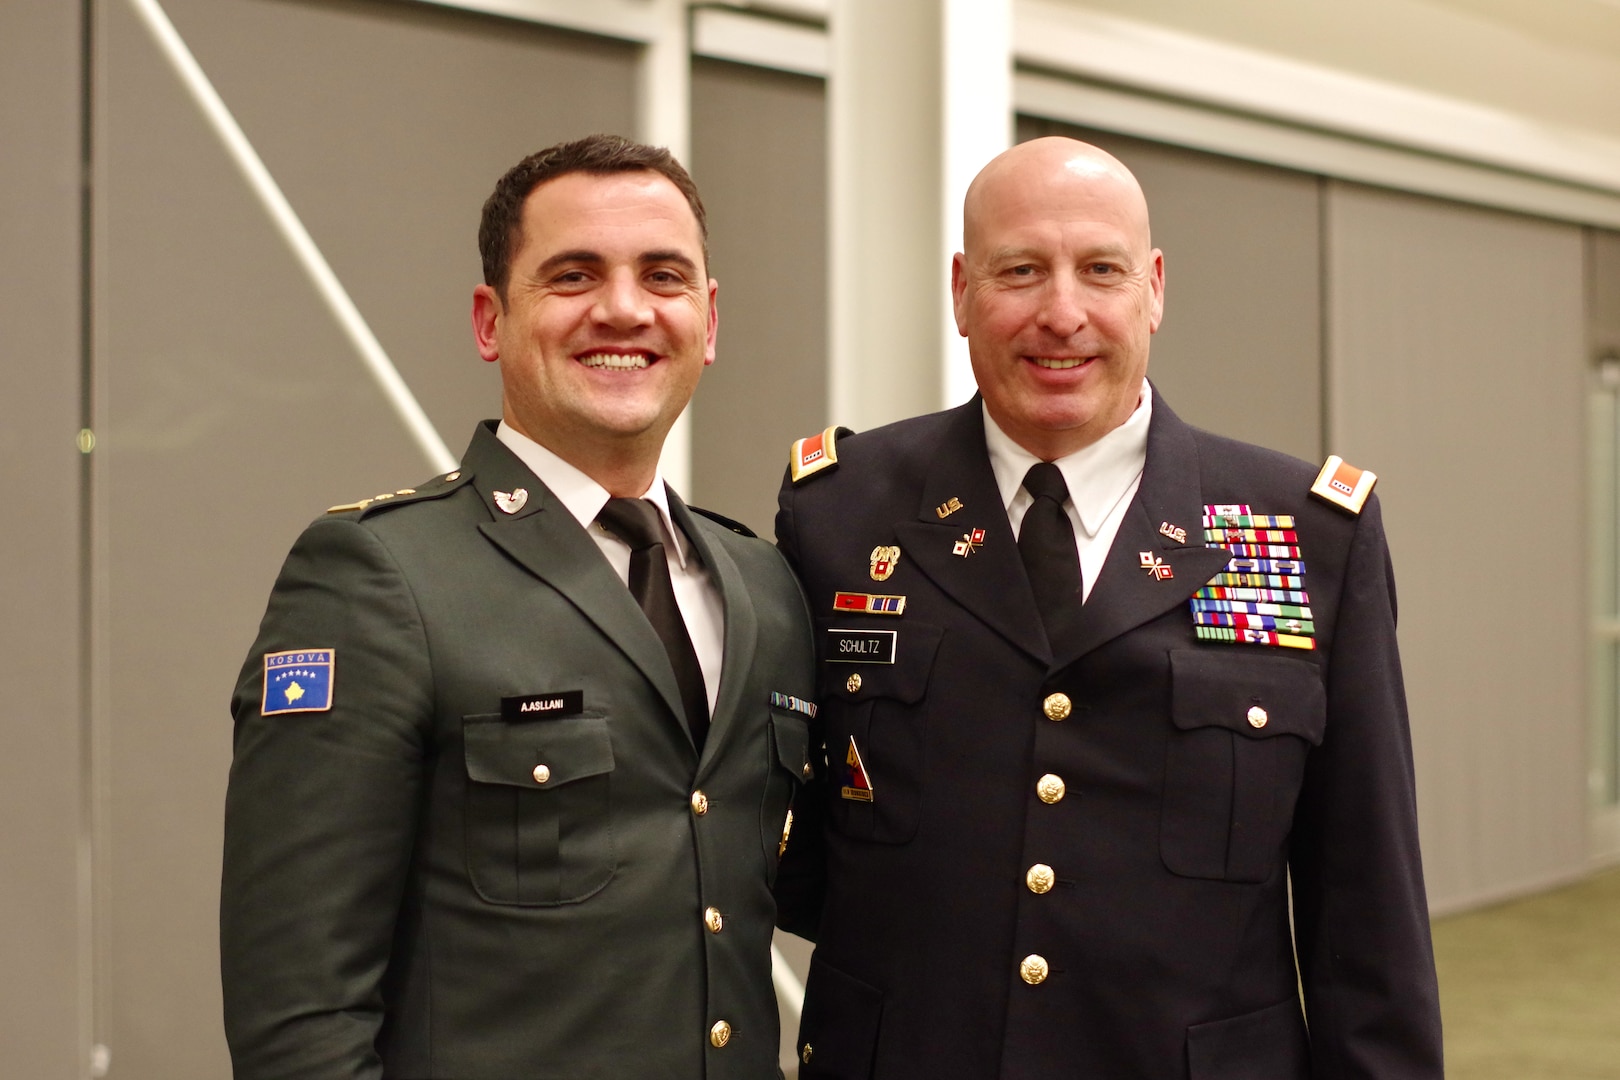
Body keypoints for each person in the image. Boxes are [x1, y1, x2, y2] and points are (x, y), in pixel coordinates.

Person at [774, 137, 1442, 1078]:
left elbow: (1366, 911)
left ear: (1154, 288)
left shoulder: (1308, 530)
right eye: (1020, 271)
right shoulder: (841, 511)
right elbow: (778, 848)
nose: (1062, 313)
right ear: (962, 291)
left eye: (1100, 270)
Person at [221, 134, 816, 1079]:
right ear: (490, 319)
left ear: (707, 320)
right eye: (574, 275)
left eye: (662, 276)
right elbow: (301, 1022)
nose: (623, 309)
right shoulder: (379, 577)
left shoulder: (765, 589)